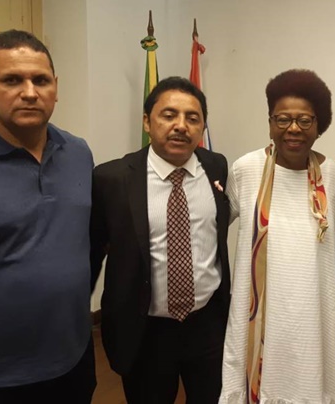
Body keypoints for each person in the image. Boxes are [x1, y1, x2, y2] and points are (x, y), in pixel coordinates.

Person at [0, 30, 96, 403]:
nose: (30, 92)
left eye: (41, 80)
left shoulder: (78, 153)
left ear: (56, 87)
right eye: (12, 80)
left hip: (71, 361)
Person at [90, 76, 230, 403]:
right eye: (169, 115)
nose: (181, 126)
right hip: (144, 330)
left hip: (208, 324)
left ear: (202, 126)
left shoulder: (216, 166)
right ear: (147, 122)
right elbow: (93, 251)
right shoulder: (111, 178)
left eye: (192, 118)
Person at [219, 69, 335, 403]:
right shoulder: (246, 169)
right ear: (270, 122)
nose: (293, 129)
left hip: (313, 310)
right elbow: (214, 226)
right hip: (260, 307)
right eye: (283, 119)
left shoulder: (333, 175)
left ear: (319, 125)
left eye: (304, 120)